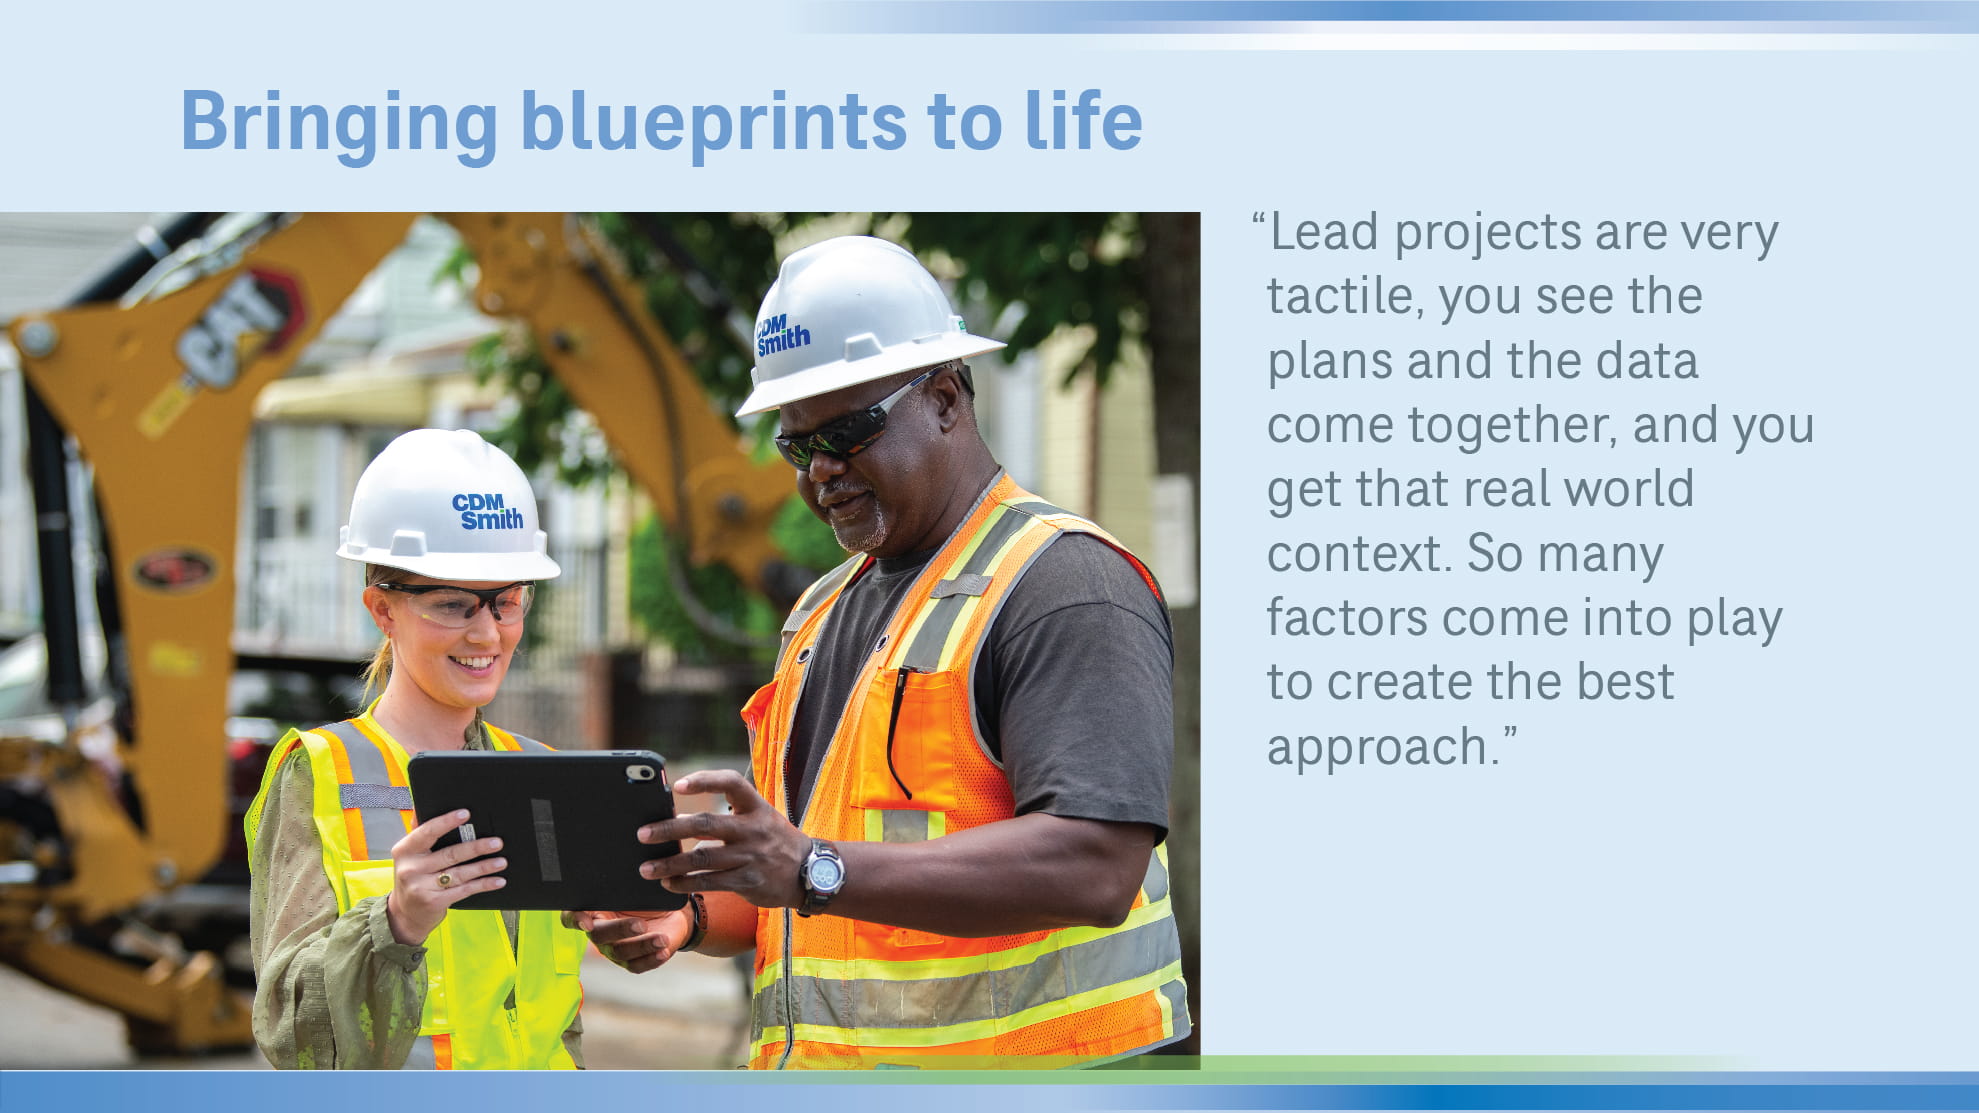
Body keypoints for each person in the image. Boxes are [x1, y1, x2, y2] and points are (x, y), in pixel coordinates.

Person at [574, 235, 1190, 1069]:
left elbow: (1094, 866)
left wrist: (809, 867)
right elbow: (794, 885)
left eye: (849, 432)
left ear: (943, 398)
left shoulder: (1063, 585)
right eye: (798, 445)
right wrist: (686, 914)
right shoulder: (821, 612)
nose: (820, 470)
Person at [245, 428, 587, 1069]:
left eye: (506, 602)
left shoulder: (542, 772)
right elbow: (291, 1031)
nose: (487, 631)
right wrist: (396, 923)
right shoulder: (319, 774)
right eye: (454, 605)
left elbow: (555, 1020)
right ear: (382, 609)